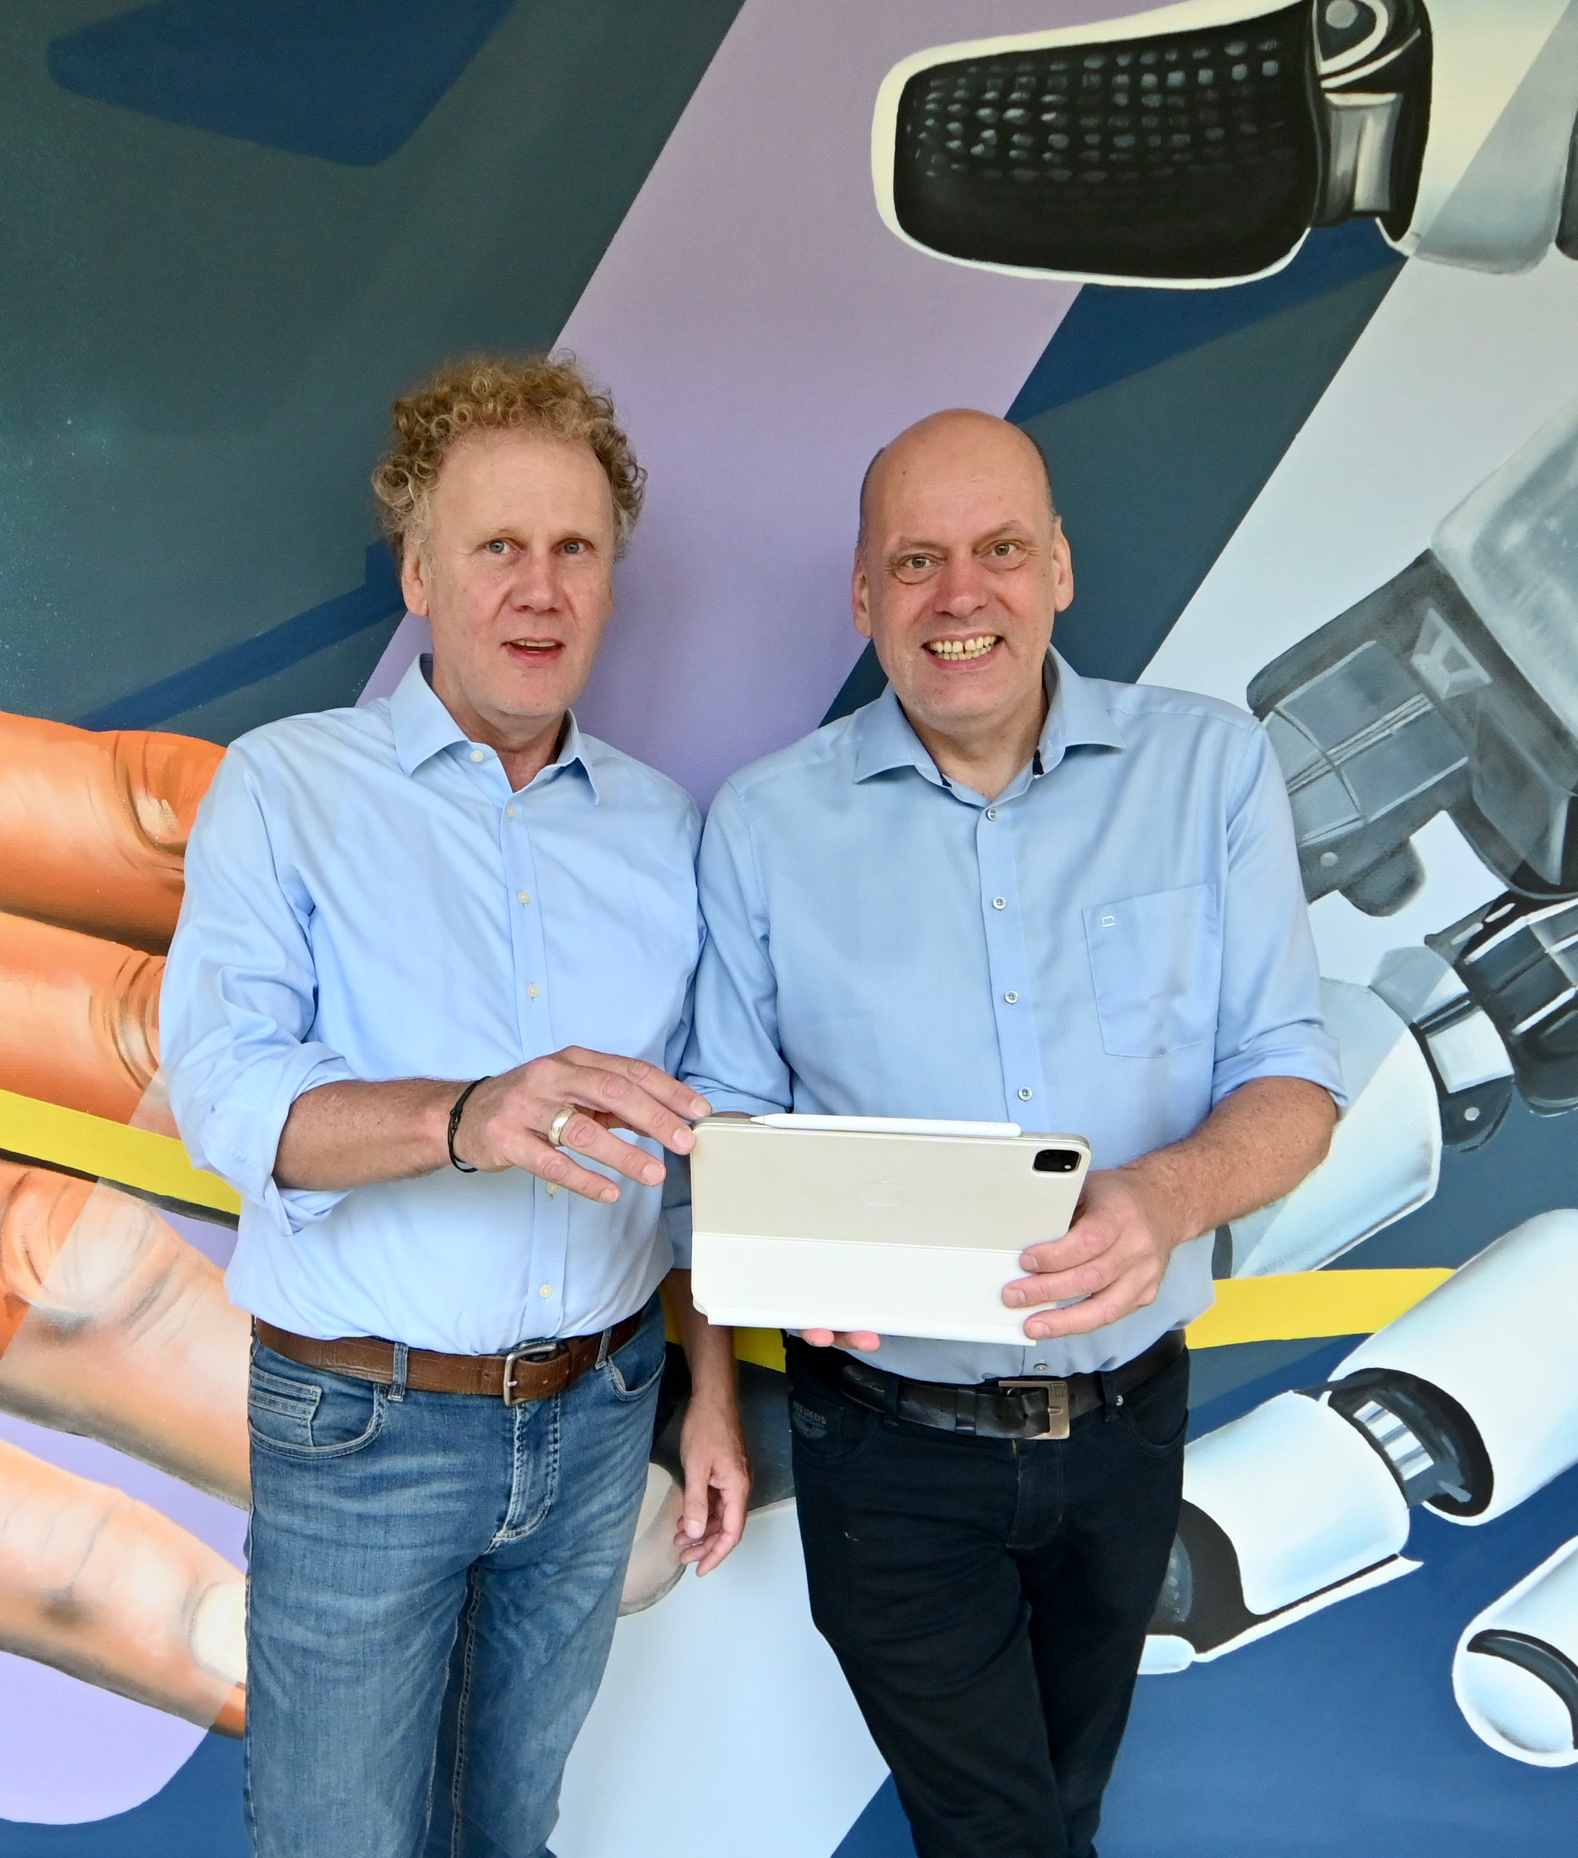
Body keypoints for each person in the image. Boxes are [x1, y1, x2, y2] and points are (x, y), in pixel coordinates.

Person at [682, 409, 1342, 1858]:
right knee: (1002, 1835)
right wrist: (721, 1382)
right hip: (886, 1443)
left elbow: (1294, 1081)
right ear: (864, 597)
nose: (958, 595)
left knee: (1054, 1815)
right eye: (916, 562)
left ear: (1058, 569)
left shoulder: (1210, 771)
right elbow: (720, 1141)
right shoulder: (764, 825)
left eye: (996, 550)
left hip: (1128, 1427)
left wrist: (1164, 1196)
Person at [161, 354, 751, 1858]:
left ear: (611, 581)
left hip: (601, 1417)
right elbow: (226, 1097)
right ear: (419, 574)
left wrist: (714, 1397)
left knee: (508, 1835)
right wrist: (467, 1114)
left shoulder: (664, 826)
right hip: (363, 1426)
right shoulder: (285, 786)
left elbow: (692, 1159)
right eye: (497, 547)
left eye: (575, 550)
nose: (538, 590)